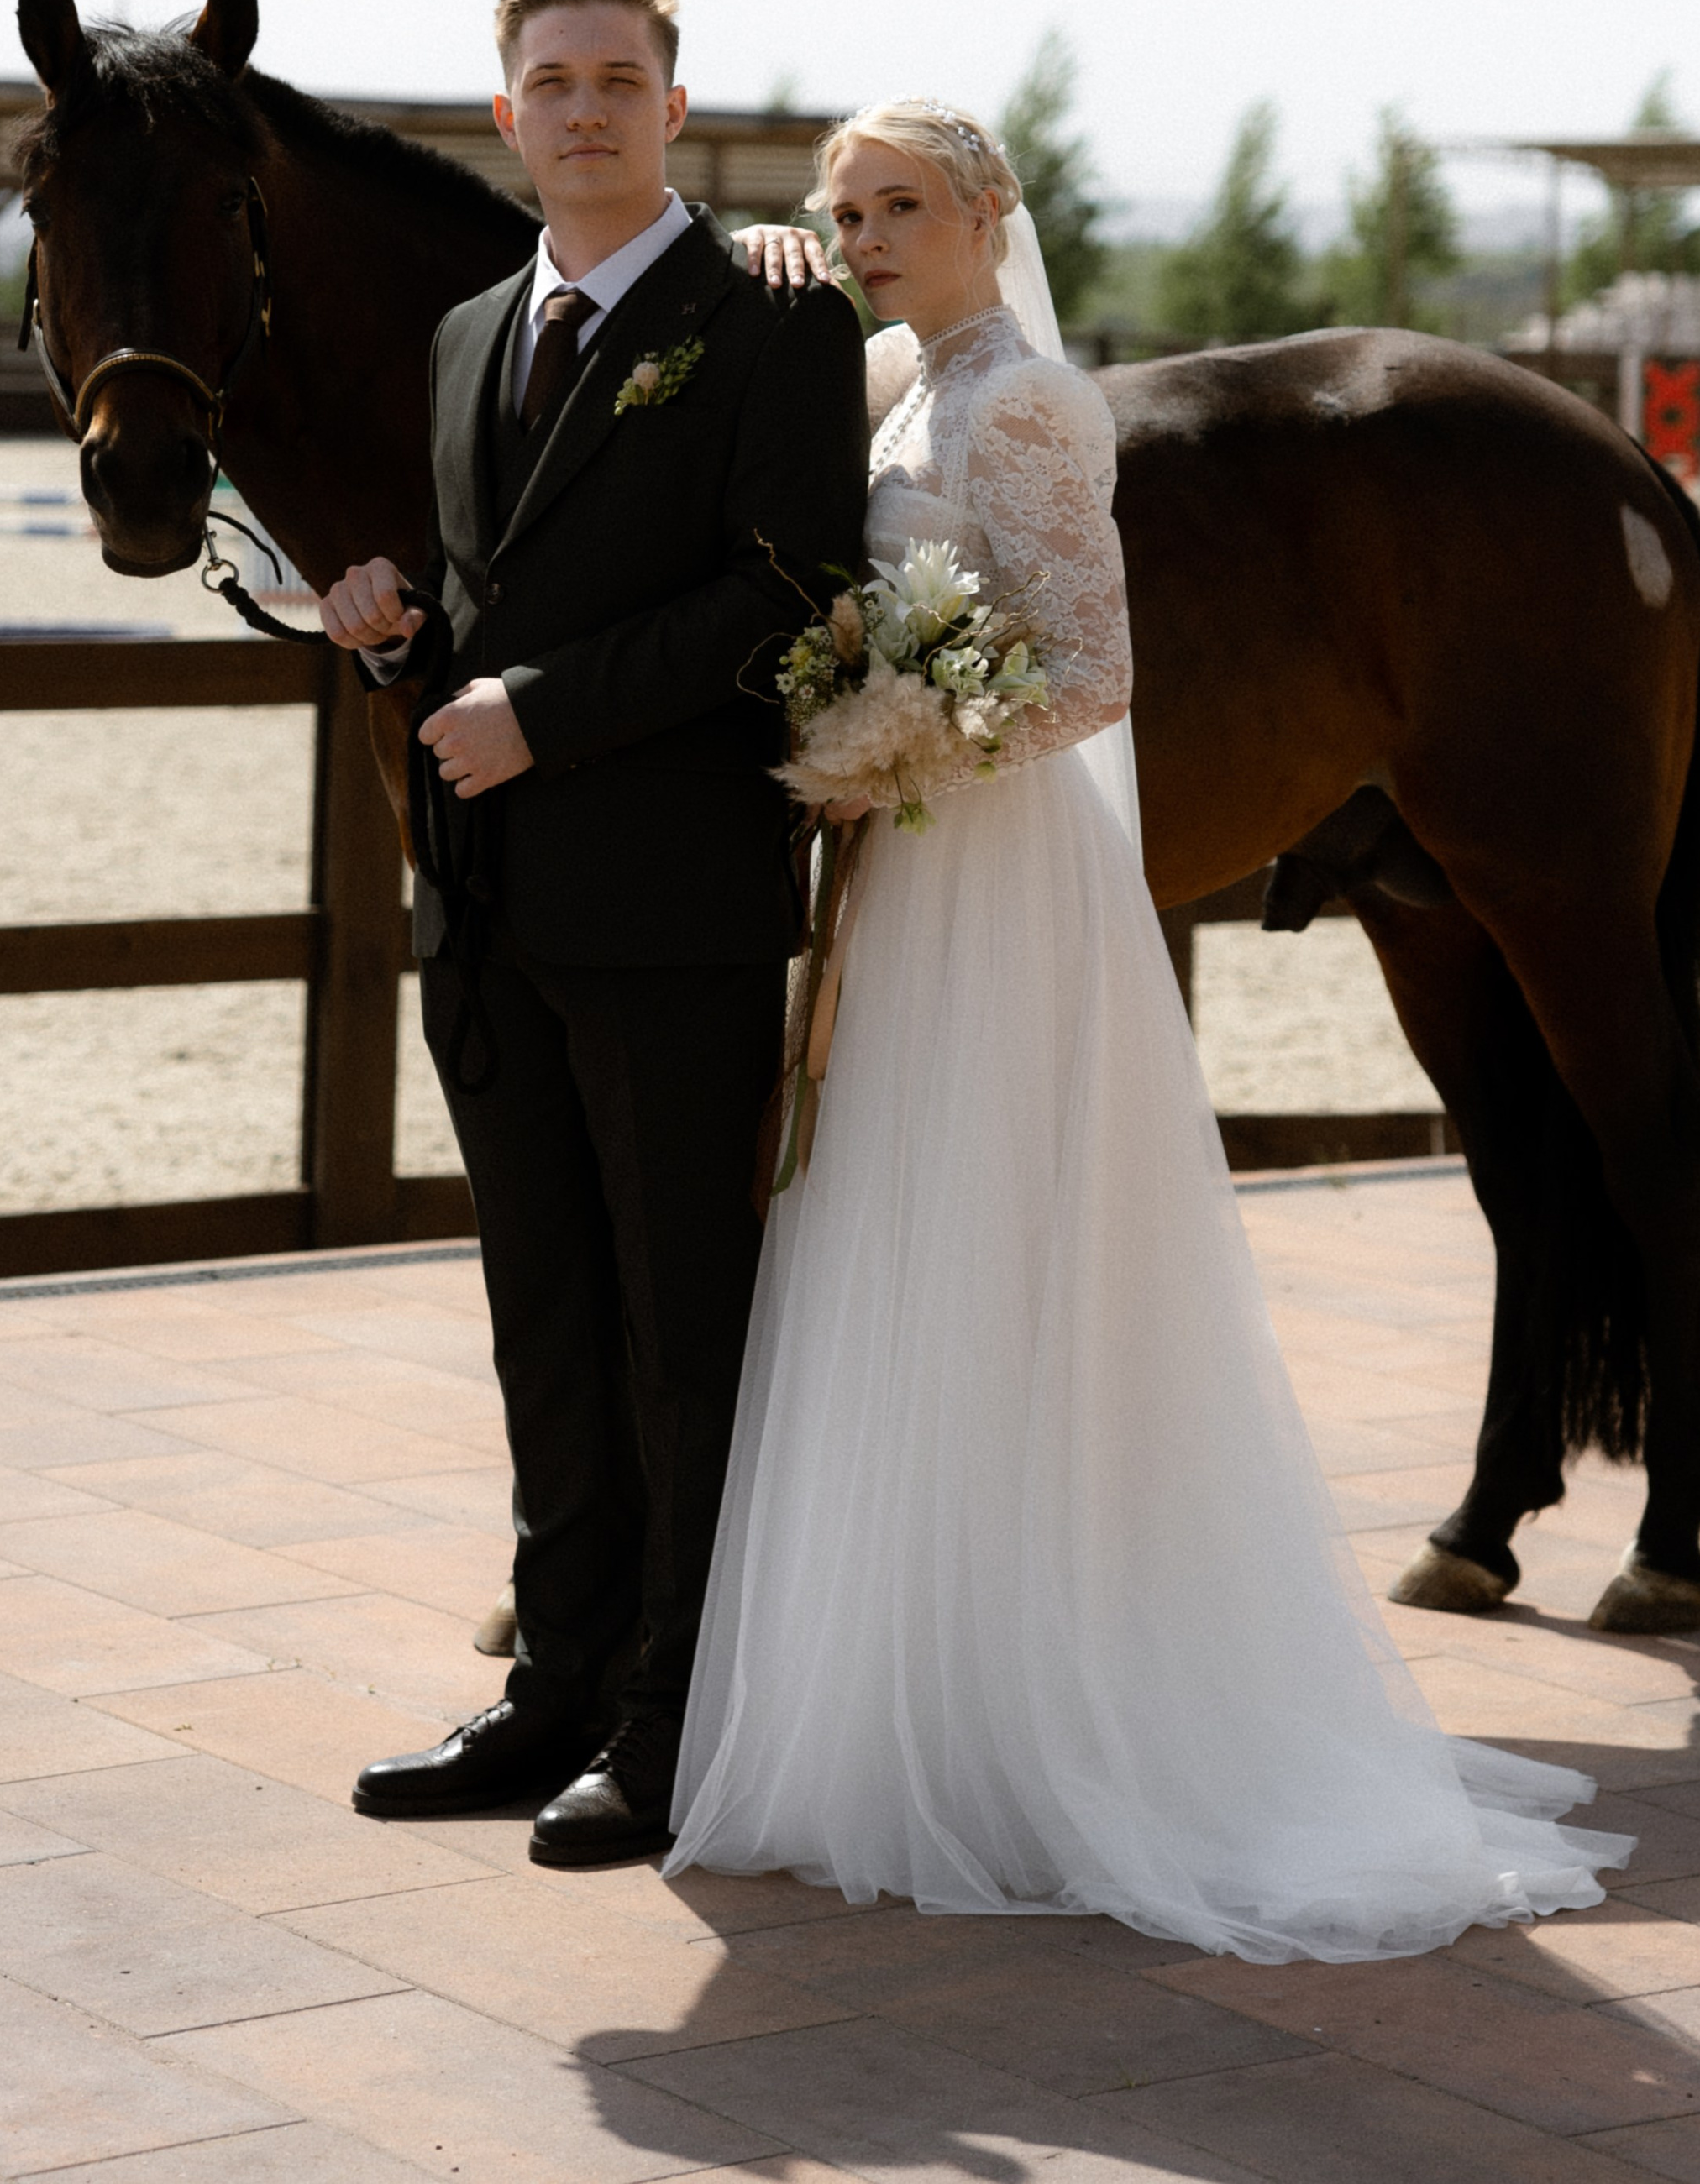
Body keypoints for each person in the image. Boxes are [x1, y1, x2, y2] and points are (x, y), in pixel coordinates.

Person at [667, 98, 1629, 1959]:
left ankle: (1038, 1691)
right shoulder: (884, 376)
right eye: (843, 207)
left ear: (986, 214)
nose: (866, 232)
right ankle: (901, 1669)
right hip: (904, 864)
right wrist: (779, 265)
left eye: (903, 205)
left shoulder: (1024, 403)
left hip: (983, 859)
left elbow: (1092, 673)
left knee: (986, 1229)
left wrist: (897, 746)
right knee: (876, 1222)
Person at [320, 0, 869, 1869]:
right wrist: (392, 628)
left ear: (671, 107)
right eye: (548, 83)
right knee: (541, 1314)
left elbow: (787, 593)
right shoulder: (473, 329)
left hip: (668, 908)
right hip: (484, 914)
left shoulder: (768, 323)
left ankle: (668, 1720)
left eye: (616, 81)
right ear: (503, 114)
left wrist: (536, 716)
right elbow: (498, 602)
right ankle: (553, 1686)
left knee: (675, 1327)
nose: (582, 112)